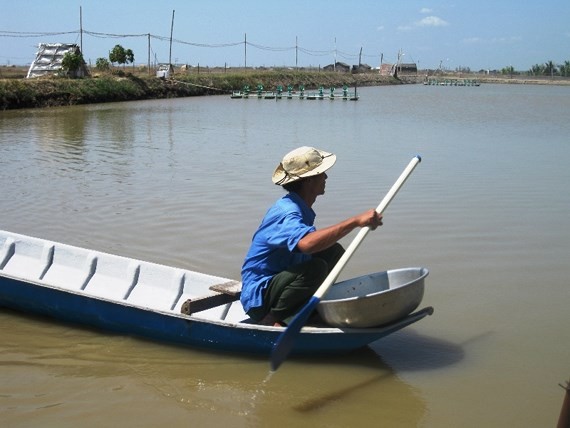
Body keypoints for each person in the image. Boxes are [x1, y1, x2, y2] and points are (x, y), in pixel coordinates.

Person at [240, 146, 383, 327]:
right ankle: (272, 319)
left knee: (333, 252)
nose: (326, 178)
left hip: (282, 283)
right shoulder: (287, 211)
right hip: (260, 297)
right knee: (315, 268)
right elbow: (307, 244)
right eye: (322, 173)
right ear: (308, 180)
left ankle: (309, 309)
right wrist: (355, 222)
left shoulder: (300, 207)